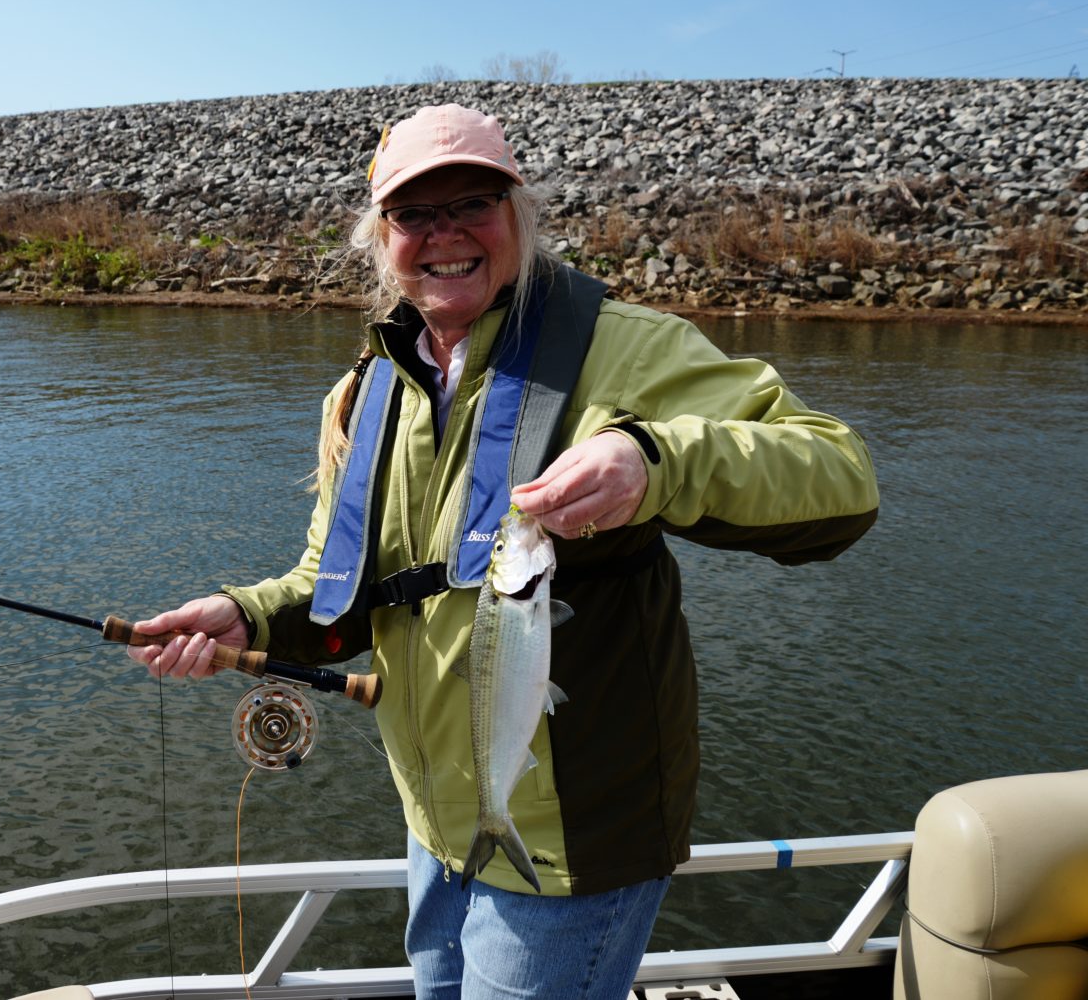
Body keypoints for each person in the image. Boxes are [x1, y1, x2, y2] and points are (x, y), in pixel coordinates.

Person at [127, 104, 879, 999]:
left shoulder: (620, 350)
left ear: (521, 215)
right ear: (381, 239)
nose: (444, 235)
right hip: (437, 820)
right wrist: (244, 616)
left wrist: (659, 461)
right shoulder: (361, 394)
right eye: (414, 214)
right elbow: (336, 587)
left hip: (577, 841)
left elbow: (841, 477)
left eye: (473, 203)